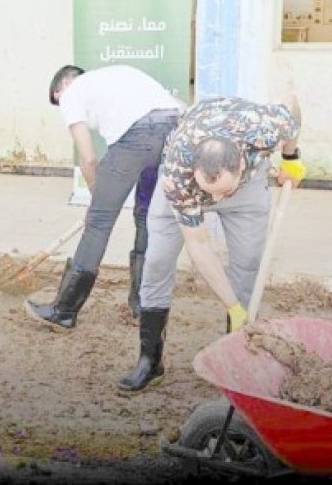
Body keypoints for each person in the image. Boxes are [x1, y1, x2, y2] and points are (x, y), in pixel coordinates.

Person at [117, 96, 305, 392]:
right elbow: (199, 247)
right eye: (210, 192)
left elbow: (293, 106)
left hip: (247, 193)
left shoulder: (265, 128)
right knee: (156, 262)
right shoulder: (179, 174)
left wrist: (291, 158)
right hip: (185, 191)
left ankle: (236, 360)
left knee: (247, 264)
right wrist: (232, 305)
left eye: (221, 192)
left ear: (242, 161)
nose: (215, 202)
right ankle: (150, 360)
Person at [24, 64, 183, 328]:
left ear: (60, 87)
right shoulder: (119, 74)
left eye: (57, 101)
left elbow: (87, 158)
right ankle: (142, 304)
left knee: (98, 223)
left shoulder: (71, 92)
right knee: (147, 215)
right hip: (172, 129)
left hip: (136, 137)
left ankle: (64, 310)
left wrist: (99, 200)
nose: (61, 106)